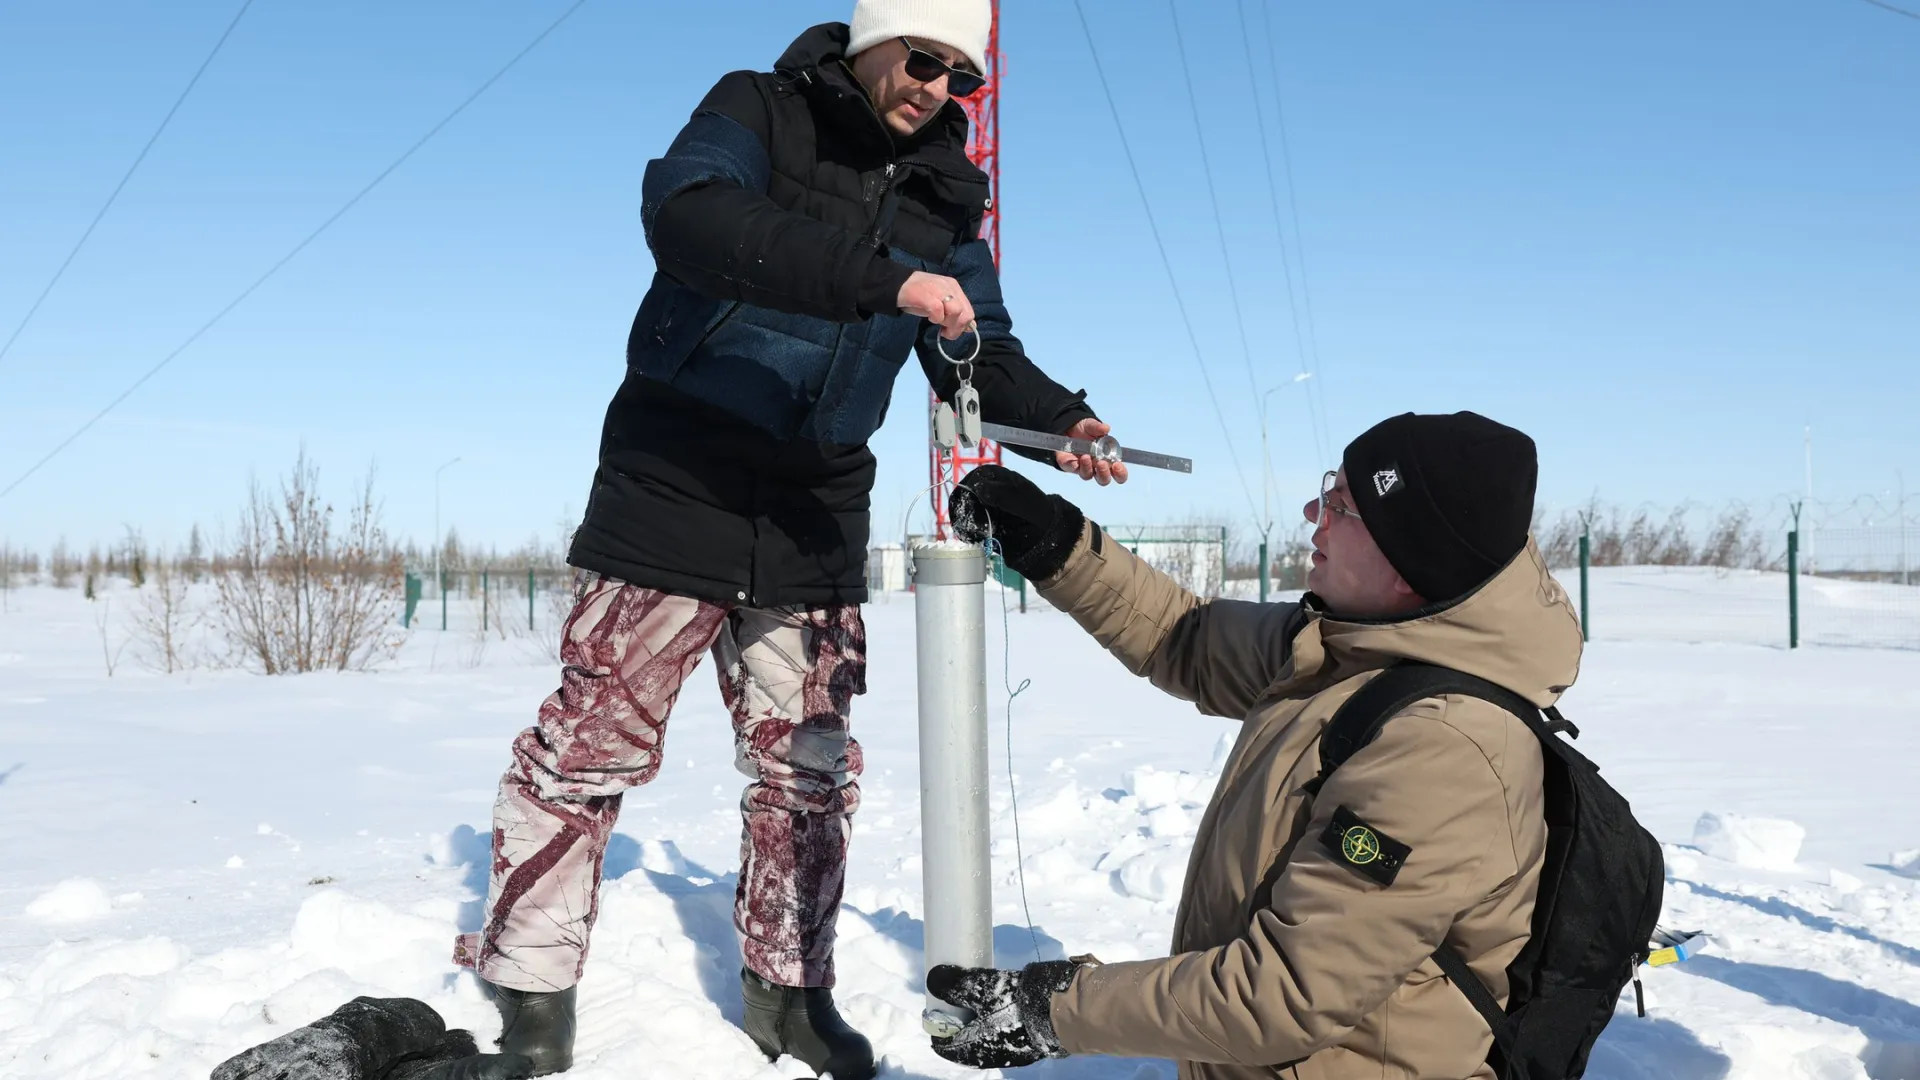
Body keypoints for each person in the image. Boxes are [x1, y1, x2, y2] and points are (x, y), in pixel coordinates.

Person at [451, 3, 1127, 1077]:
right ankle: (532, 988)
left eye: (963, 76)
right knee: (589, 751)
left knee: (809, 773)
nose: (937, 87)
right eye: (923, 58)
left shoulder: (951, 191)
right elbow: (690, 217)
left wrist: (1062, 423)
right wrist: (881, 279)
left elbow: (979, 342)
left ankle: (788, 991)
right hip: (676, 477)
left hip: (814, 507)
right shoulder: (757, 110)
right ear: (870, 44)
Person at [932, 412, 1582, 1080]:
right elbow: (1189, 640)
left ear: (1408, 560)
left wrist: (1056, 1011)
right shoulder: (1355, 644)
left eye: (1342, 505)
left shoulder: (1445, 749)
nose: (1312, 512)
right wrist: (1059, 548)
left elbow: (1281, 995)